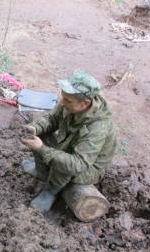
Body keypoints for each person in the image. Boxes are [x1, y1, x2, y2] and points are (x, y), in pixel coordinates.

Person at [20, 71, 117, 212]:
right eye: (63, 98)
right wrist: (35, 128)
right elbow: (51, 119)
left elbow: (77, 165)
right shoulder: (70, 102)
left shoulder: (98, 127)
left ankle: (50, 191)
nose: (62, 103)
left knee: (65, 162)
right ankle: (42, 172)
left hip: (88, 167)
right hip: (70, 148)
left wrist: (42, 149)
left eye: (68, 101)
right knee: (41, 134)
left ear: (85, 103)